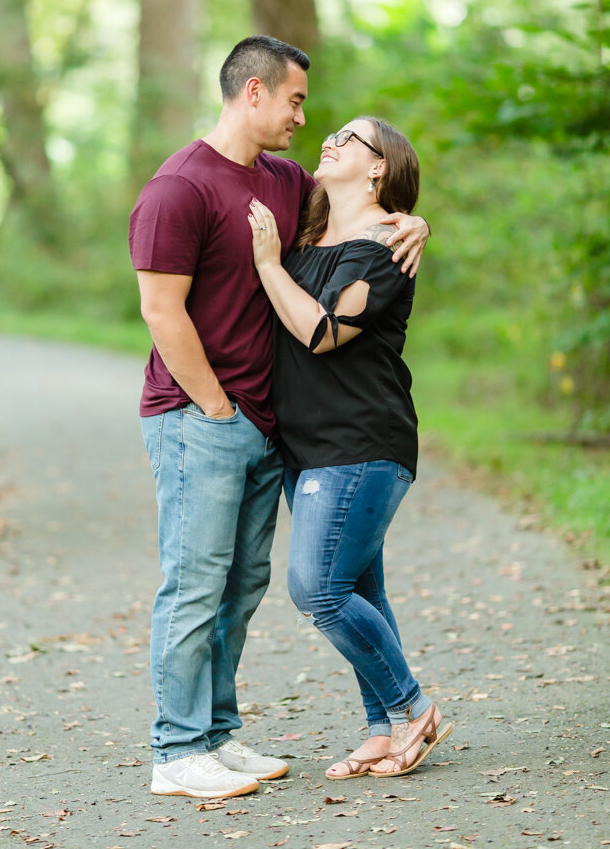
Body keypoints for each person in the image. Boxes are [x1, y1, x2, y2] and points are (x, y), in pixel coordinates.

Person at [129, 36, 430, 800]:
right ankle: (175, 751)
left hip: (268, 428)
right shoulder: (178, 187)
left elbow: (364, 225)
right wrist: (217, 406)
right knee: (194, 585)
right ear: (254, 92)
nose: (305, 116)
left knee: (239, 588)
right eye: (294, 100)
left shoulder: (288, 183)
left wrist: (411, 223)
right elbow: (161, 312)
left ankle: (216, 736)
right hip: (201, 417)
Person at [247, 115, 453, 780]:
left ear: (377, 167)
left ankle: (412, 707)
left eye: (347, 138)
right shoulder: (311, 235)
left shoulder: (383, 245)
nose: (326, 141)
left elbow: (320, 332)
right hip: (306, 445)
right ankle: (379, 729)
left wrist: (266, 263)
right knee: (360, 586)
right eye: (326, 133)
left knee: (317, 588)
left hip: (361, 440)